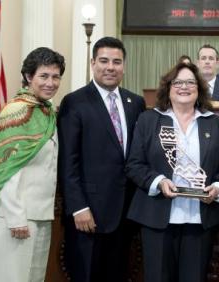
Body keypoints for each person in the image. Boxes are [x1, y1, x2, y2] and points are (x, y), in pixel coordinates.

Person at [126, 62, 219, 282]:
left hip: (200, 220)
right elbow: (134, 164)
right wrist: (159, 181)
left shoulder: (215, 123)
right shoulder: (149, 120)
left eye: (190, 82)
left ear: (199, 88)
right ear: (168, 87)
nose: (184, 87)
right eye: (178, 82)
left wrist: (218, 188)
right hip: (157, 217)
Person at [58, 37, 145, 281]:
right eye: (104, 61)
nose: (110, 67)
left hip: (126, 214)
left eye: (116, 62)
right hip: (88, 214)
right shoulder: (74, 102)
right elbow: (67, 161)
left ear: (124, 66)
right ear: (92, 63)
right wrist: (78, 206)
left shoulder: (135, 102)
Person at [0, 47, 65, 282]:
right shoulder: (16, 111)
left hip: (41, 216)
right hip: (15, 219)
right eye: (43, 76)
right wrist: (16, 218)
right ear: (28, 76)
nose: (51, 83)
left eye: (56, 76)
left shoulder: (45, 112)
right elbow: (5, 170)